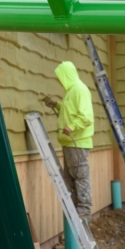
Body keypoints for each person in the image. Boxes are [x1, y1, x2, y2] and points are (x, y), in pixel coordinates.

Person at [44, 61, 95, 220]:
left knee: (80, 175)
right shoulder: (71, 91)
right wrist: (57, 105)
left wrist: (72, 127)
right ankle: (75, 205)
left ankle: (84, 207)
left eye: (60, 77)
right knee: (71, 176)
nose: (59, 80)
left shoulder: (79, 90)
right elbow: (70, 111)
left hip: (77, 142)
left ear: (67, 75)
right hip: (70, 143)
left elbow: (86, 117)